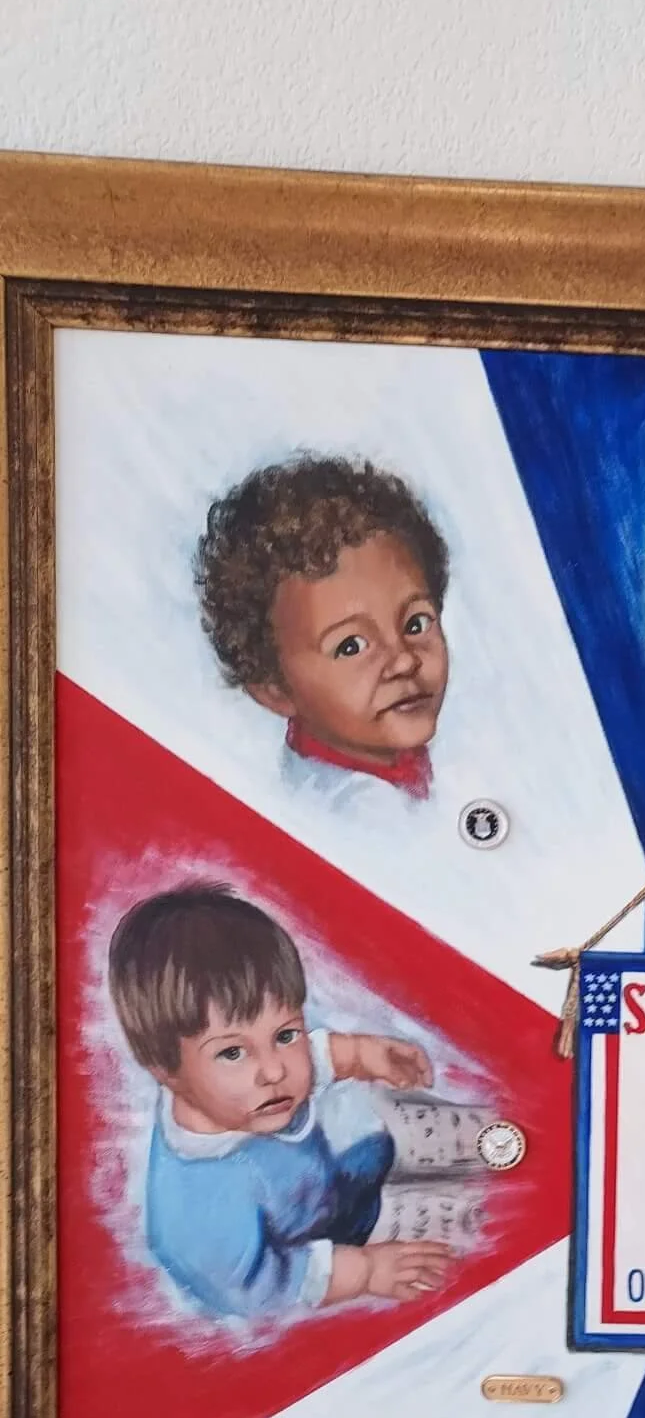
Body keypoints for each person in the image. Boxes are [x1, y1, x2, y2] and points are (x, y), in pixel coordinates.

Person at [108, 883, 454, 1321]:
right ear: (164, 1069)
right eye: (232, 1053)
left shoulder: (246, 1095)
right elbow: (255, 1288)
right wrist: (363, 1271)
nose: (274, 1071)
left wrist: (361, 1053)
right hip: (315, 1250)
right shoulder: (196, 1214)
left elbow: (310, 1056)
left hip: (331, 1187)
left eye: (284, 1034)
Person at [195, 455, 450, 807]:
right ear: (275, 691)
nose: (404, 660)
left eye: (415, 624)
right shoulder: (358, 816)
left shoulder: (391, 764)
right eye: (351, 646)